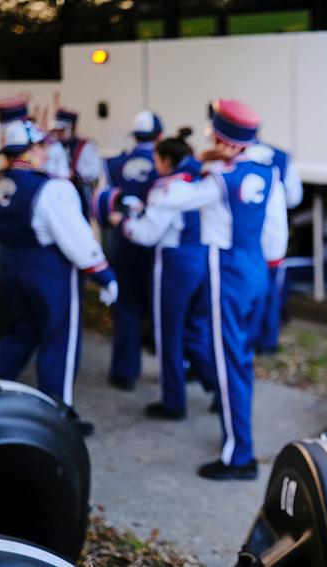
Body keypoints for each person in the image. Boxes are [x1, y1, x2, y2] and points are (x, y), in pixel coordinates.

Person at [112, 99, 287, 480]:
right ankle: (236, 441)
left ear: (224, 141)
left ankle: (239, 456)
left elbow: (171, 198)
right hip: (256, 268)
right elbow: (276, 240)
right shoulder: (269, 172)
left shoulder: (220, 180)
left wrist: (193, 169)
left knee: (228, 365)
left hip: (225, 270)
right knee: (239, 360)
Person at [0, 121, 118, 436]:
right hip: (49, 271)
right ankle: (58, 415)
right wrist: (104, 274)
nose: (45, 151)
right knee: (59, 340)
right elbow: (77, 240)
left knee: (20, 333)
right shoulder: (52, 187)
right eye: (41, 146)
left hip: (12, 267)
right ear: (32, 149)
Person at [112, 128, 212, 420]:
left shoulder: (165, 188)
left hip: (173, 264)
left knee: (168, 333)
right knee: (197, 333)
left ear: (166, 161)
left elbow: (146, 234)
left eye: (157, 159)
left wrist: (122, 222)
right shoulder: (202, 180)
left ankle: (173, 402)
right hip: (202, 260)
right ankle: (218, 388)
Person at [94, 110, 163, 391]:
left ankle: (124, 372)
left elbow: (100, 205)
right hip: (157, 245)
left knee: (127, 307)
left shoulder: (112, 164)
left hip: (123, 243)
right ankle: (175, 371)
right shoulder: (166, 161)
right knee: (163, 309)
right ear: (159, 136)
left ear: (133, 136)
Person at [243, 132, 304, 355]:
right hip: (274, 238)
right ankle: (267, 341)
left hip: (247, 238)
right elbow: (294, 197)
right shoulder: (281, 158)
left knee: (249, 291)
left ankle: (250, 339)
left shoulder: (238, 160)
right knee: (273, 291)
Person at [50, 107, 102, 218]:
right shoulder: (53, 146)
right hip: (57, 193)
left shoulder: (85, 146)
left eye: (62, 130)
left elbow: (94, 171)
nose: (58, 133)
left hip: (79, 191)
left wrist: (77, 173)